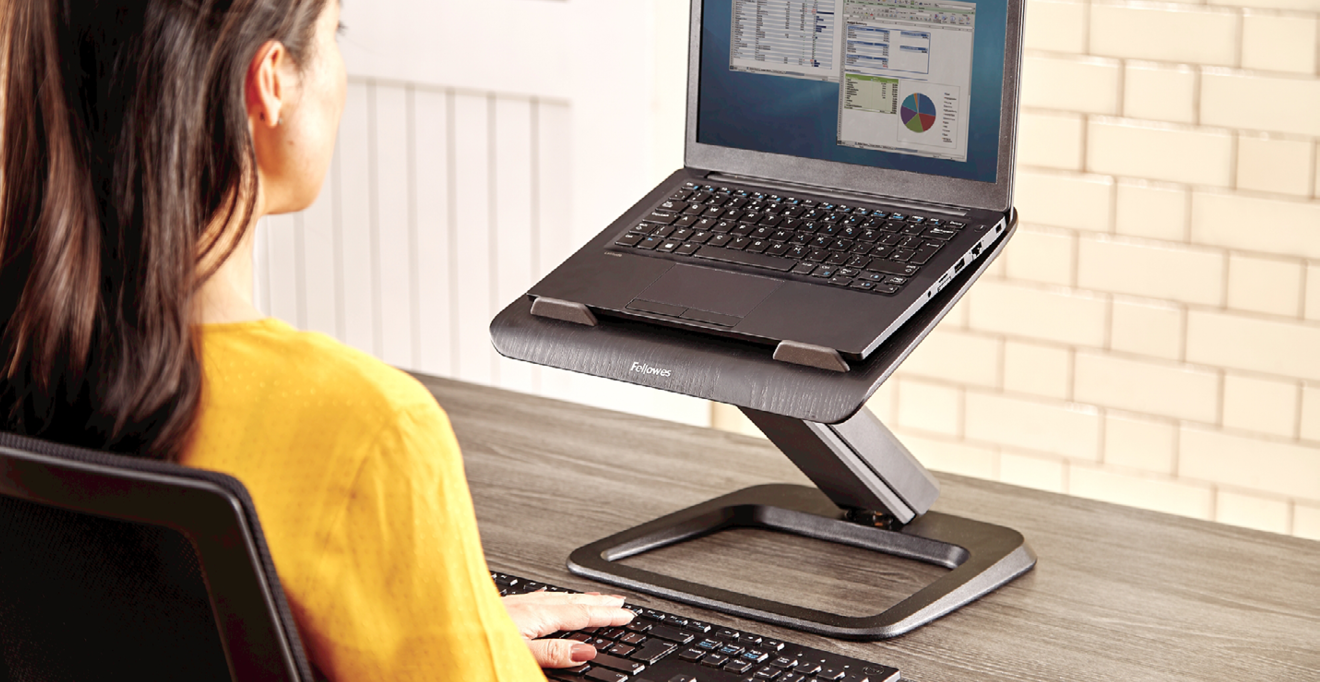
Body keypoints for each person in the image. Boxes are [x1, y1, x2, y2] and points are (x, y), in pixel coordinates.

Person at [0, 1, 632, 679]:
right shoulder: (372, 430)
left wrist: (443, 623)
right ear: (269, 80)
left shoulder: (26, 356)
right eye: (337, 34)